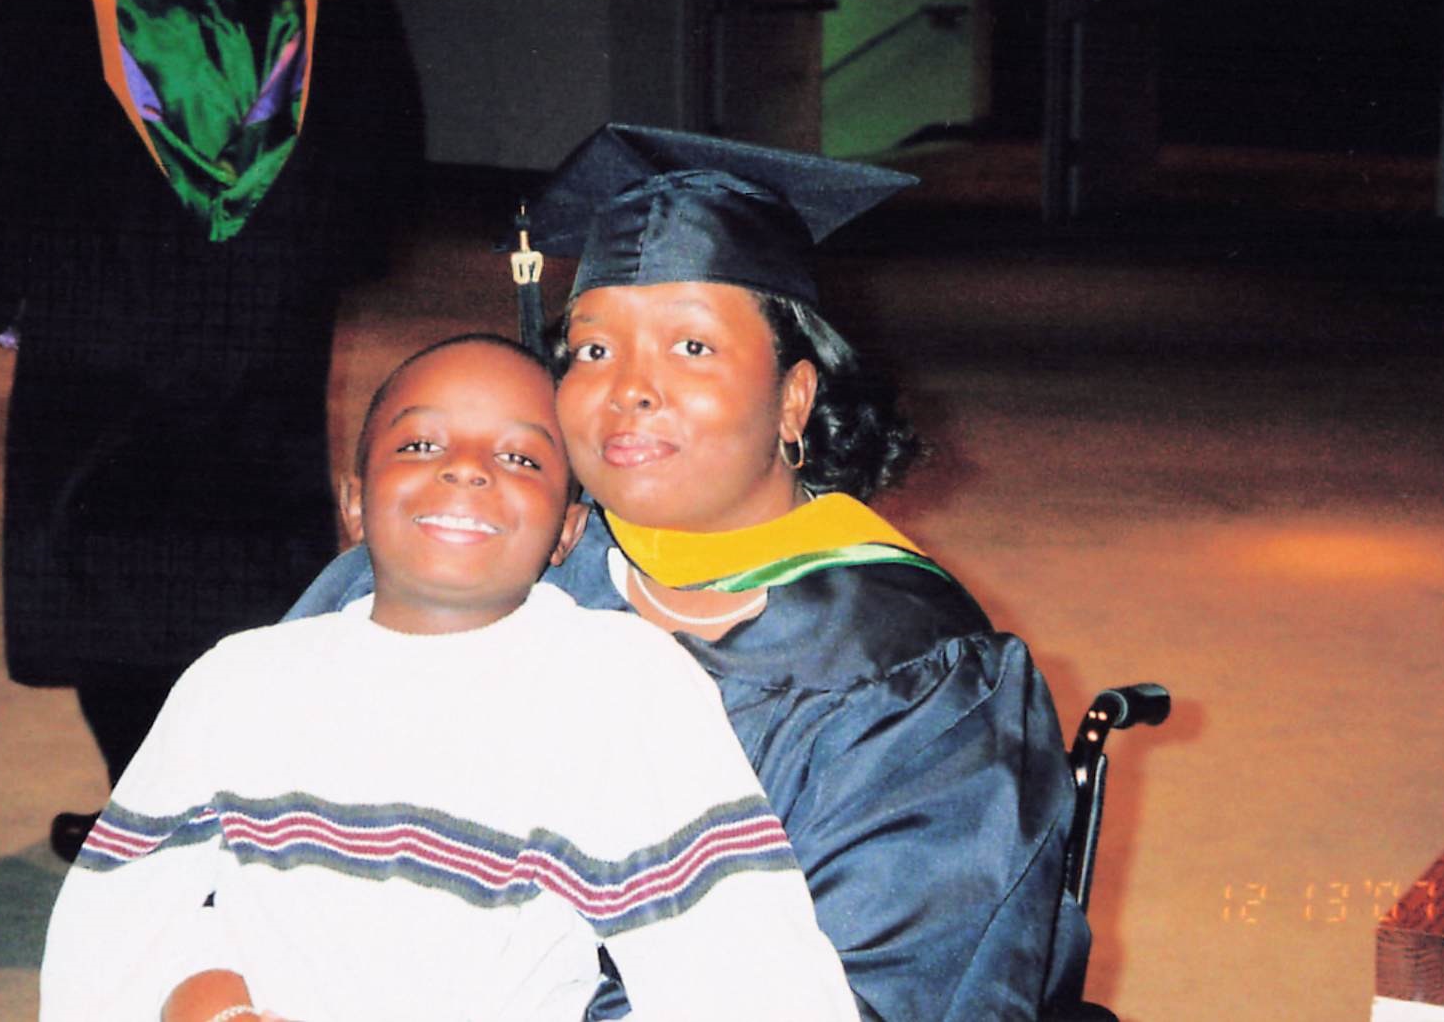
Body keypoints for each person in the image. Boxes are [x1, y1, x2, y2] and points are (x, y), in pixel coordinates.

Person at [291, 124, 1091, 1020]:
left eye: (692, 347)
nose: (627, 388)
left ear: (793, 396)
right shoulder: (480, 564)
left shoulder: (901, 675)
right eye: (592, 350)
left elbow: (883, 993)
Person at [39, 334, 861, 1022]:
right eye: (420, 445)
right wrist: (210, 1003)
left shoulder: (617, 689)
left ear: (567, 530)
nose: (467, 469)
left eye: (519, 457)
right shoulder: (244, 680)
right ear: (355, 500)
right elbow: (119, 914)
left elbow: (734, 954)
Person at [0, 0, 411, 860]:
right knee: (239, 571)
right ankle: (232, 812)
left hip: (101, 329)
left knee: (107, 576)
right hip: (263, 330)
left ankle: (145, 804)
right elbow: (384, 164)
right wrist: (305, 265)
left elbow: (8, 148)